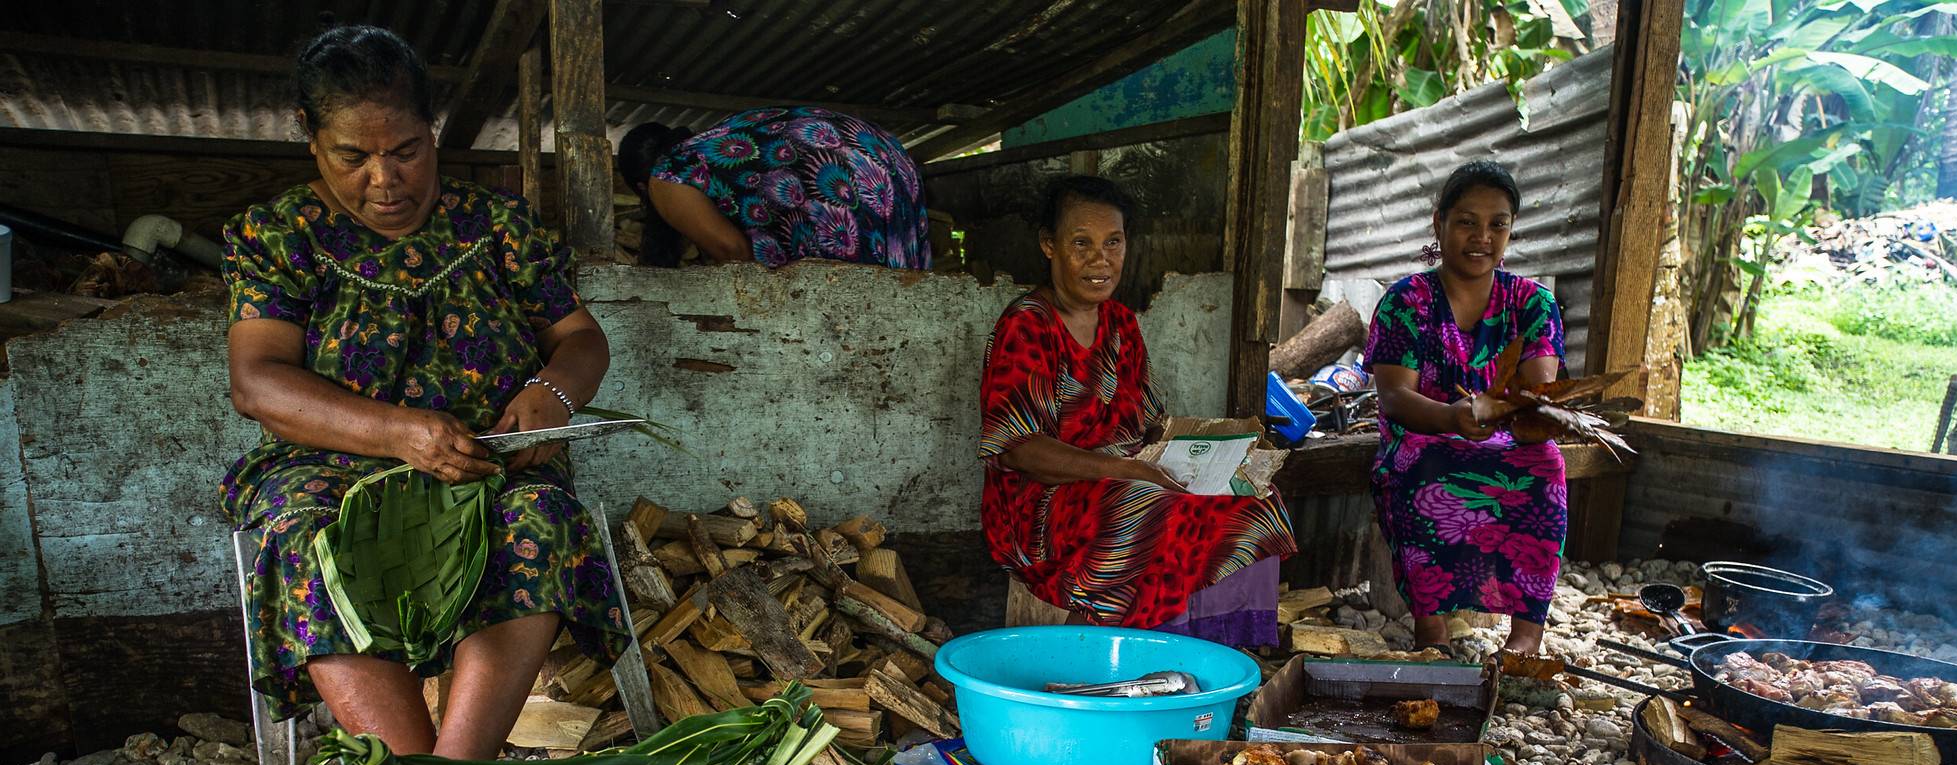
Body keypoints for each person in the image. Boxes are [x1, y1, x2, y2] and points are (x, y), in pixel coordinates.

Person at [221, 23, 629, 760]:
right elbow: (258, 382)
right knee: (309, 538)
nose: (385, 179)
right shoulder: (279, 235)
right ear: (308, 137)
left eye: (405, 150)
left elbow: (581, 339)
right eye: (354, 156)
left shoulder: (496, 225)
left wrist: (552, 397)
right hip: (331, 469)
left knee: (539, 519)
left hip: (487, 461)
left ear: (431, 131)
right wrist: (398, 434)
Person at [977, 175, 1296, 644]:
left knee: (1253, 501)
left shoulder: (1121, 323)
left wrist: (1214, 459)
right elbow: (1018, 451)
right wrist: (1128, 470)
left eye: (1113, 242)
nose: (1100, 259)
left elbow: (1147, 423)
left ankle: (1216, 653)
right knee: (1153, 508)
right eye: (1081, 243)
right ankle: (1109, 658)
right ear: (1049, 245)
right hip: (1039, 507)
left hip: (1122, 477)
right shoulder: (1027, 326)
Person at [1366, 159, 1568, 656]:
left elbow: (1538, 393)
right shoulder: (1407, 300)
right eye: (1466, 221)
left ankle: (1524, 643)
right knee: (1423, 463)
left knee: (1545, 465)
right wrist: (1452, 418)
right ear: (1440, 222)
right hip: (1424, 433)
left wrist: (1511, 414)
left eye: (1498, 224)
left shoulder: (1532, 302)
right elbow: (1394, 398)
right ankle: (1431, 634)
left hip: (1508, 437)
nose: (1482, 236)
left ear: (1511, 231)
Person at [619, 109, 931, 270]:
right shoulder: (712, 146)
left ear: (639, 187)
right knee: (899, 284)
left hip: (836, 166)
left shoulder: (666, 175)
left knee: (852, 301)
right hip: (881, 149)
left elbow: (735, 255)